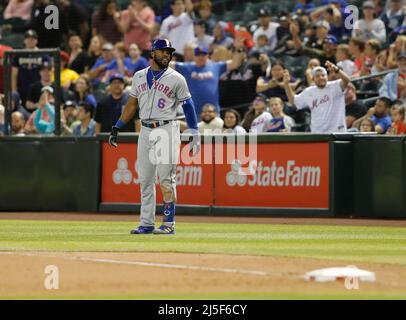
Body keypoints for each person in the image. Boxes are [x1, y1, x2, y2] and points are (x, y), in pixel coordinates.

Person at [108, 39, 200, 235]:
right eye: (163, 51)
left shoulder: (177, 78)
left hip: (166, 128)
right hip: (146, 129)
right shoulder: (139, 76)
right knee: (145, 178)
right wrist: (117, 126)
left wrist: (193, 130)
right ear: (153, 53)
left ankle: (168, 223)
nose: (167, 54)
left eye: (169, 52)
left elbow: (188, 105)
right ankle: (146, 223)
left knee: (166, 178)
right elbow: (132, 105)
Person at [170, 46, 244, 116]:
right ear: (194, 57)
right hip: (194, 113)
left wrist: (238, 48)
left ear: (207, 56)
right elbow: (168, 65)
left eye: (204, 55)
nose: (201, 57)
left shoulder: (216, 66)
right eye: (198, 55)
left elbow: (235, 63)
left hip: (213, 113)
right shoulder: (186, 67)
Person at [283, 62, 351, 133]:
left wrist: (337, 70)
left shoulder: (335, 86)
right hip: (318, 132)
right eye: (317, 76)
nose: (321, 78)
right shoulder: (309, 91)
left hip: (337, 131)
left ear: (327, 76)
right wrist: (286, 84)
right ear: (313, 78)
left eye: (323, 75)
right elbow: (293, 101)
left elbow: (347, 80)